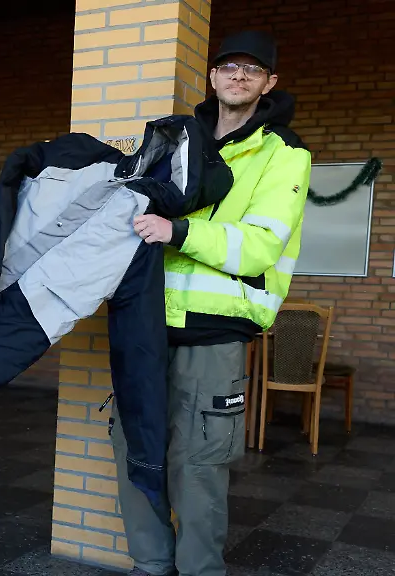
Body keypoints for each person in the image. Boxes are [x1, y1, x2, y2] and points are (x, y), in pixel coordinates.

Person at [123, 31, 312, 576]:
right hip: (145, 323)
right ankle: (150, 565)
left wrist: (176, 231)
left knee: (199, 466)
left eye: (252, 70)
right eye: (229, 66)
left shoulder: (285, 153)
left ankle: (201, 572)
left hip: (214, 330)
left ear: (269, 83)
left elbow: (260, 246)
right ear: (212, 76)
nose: (238, 76)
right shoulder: (178, 139)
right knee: (134, 452)